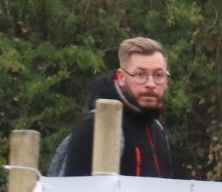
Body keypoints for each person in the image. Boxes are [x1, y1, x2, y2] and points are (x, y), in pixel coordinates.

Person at [54, 37, 179, 178]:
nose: (150, 84)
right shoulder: (96, 127)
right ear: (121, 77)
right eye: (140, 74)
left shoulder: (157, 129)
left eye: (158, 75)